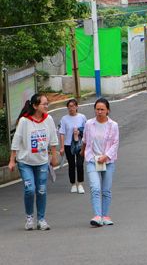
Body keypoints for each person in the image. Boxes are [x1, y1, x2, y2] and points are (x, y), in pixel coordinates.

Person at [8, 93, 59, 231]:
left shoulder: (48, 119)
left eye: (47, 104)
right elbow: (16, 141)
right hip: (25, 162)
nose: (46, 106)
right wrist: (12, 160)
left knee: (41, 190)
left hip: (42, 161)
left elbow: (53, 139)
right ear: (35, 106)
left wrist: (54, 157)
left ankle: (41, 219)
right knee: (30, 190)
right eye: (44, 104)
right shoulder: (24, 121)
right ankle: (29, 217)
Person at [81, 98, 119, 227]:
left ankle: (105, 215)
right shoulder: (89, 124)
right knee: (95, 187)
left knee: (106, 190)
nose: (99, 112)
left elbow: (115, 143)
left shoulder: (113, 125)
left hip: (108, 161)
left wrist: (106, 156)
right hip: (92, 159)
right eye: (97, 109)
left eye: (102, 109)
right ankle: (97, 215)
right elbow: (85, 140)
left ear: (108, 110)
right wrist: (82, 152)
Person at [58, 99, 87, 194]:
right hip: (68, 145)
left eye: (73, 106)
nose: (71, 108)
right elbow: (62, 133)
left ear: (77, 107)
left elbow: (87, 131)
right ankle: (73, 184)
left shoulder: (82, 117)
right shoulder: (64, 119)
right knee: (71, 165)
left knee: (79, 164)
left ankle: (80, 184)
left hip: (80, 144)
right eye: (69, 106)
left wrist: (80, 132)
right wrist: (62, 147)